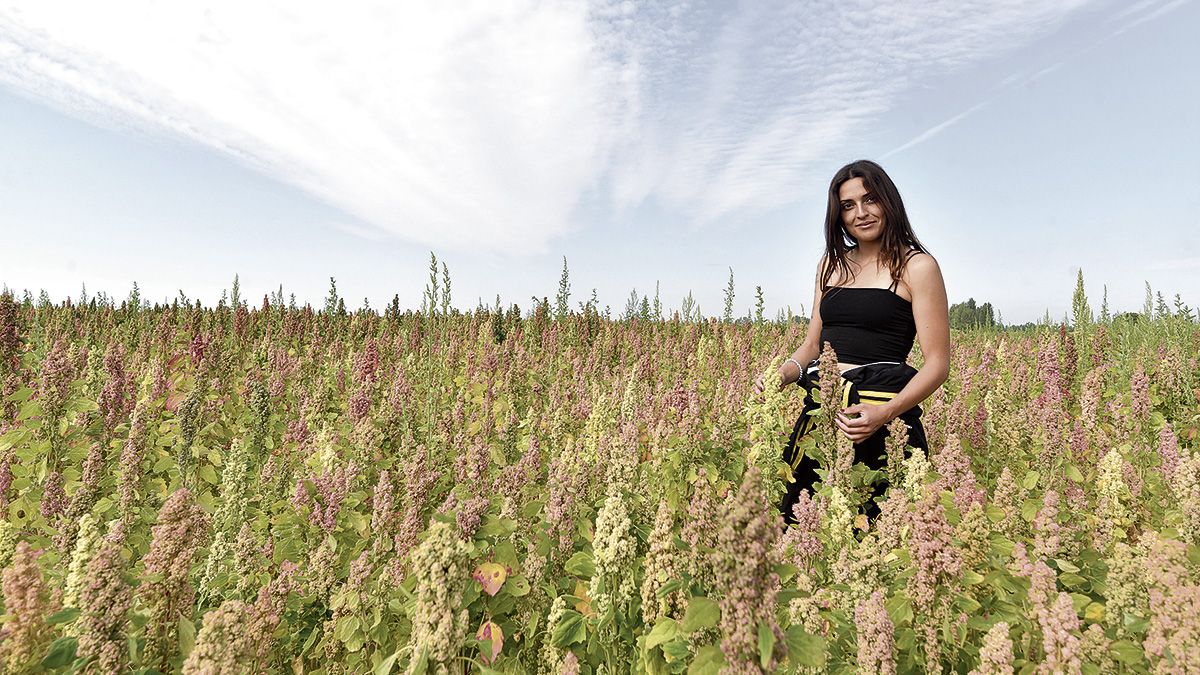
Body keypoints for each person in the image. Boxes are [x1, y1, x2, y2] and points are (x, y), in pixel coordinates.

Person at [754, 159, 950, 523]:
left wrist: (885, 414)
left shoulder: (917, 267)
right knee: (801, 530)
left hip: (878, 418)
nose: (861, 213)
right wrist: (779, 376)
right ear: (838, 215)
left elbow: (937, 364)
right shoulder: (830, 265)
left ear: (888, 202)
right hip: (822, 414)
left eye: (870, 199)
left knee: (875, 535)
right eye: (848, 205)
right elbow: (813, 346)